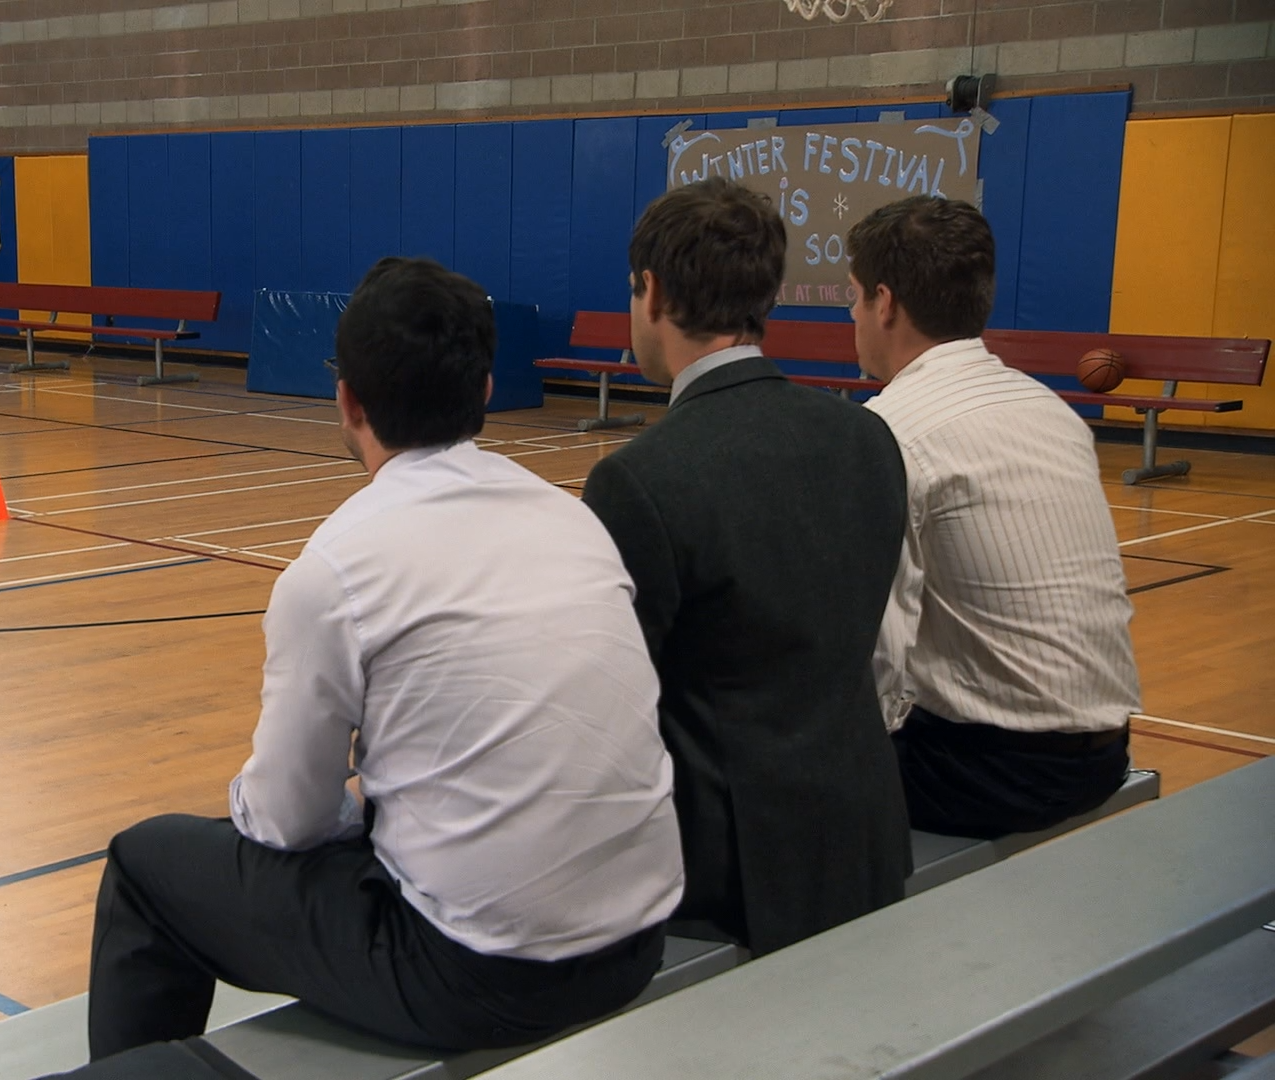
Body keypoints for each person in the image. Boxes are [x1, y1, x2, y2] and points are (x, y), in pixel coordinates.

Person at [84, 257, 684, 1063]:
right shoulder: (574, 520)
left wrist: (346, 815)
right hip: (638, 941)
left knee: (144, 865)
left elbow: (287, 820)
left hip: (477, 976)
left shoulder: (336, 568)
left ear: (348, 400)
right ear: (483, 392)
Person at [580, 177, 911, 957]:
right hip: (864, 830)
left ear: (654, 292)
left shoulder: (640, 479)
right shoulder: (866, 438)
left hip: (727, 872)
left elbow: (611, 697)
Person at [847, 196, 1140, 840]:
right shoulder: (1052, 411)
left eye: (855, 298)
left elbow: (877, 655)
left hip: (996, 772)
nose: (853, 315)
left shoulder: (889, 430)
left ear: (885, 302)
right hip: (1106, 750)